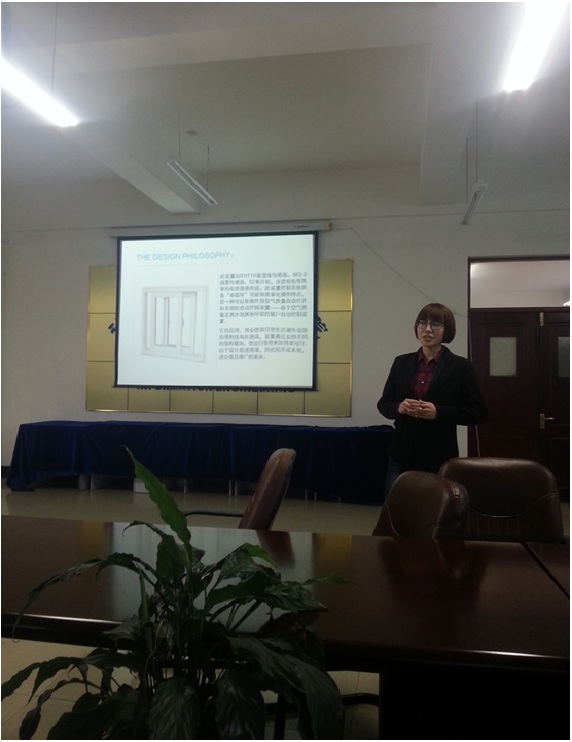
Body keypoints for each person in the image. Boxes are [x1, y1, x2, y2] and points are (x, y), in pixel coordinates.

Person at [377, 302, 487, 497]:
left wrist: (438, 412)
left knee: (436, 509)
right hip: (402, 453)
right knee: (396, 509)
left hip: (439, 455)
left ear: (447, 329)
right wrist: (399, 407)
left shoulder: (461, 367)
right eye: (422, 323)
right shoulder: (401, 362)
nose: (427, 329)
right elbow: (384, 403)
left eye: (436, 324)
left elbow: (478, 412)